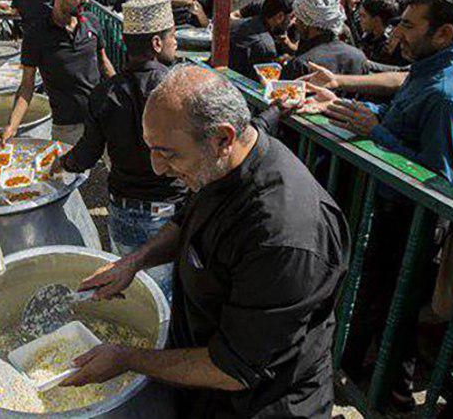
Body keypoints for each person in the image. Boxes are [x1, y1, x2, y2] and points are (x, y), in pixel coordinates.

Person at [65, 66, 348, 418]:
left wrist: (127, 358)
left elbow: (233, 368)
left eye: (168, 154)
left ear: (223, 139)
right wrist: (133, 263)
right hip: (206, 386)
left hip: (259, 405)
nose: (157, 169)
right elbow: (188, 219)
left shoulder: (285, 235)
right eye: (151, 149)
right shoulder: (224, 160)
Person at [58, 0, 186, 297]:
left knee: (131, 291)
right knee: (162, 298)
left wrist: (61, 163)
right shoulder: (177, 90)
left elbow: (86, 156)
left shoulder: (105, 93)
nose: (175, 43)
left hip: (122, 211)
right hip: (167, 218)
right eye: (172, 36)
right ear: (157, 43)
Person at [303, 0, 453, 184]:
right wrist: (342, 106)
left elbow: (438, 180)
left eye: (408, 26)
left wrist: (375, 132)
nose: (396, 33)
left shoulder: (446, 97)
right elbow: (400, 116)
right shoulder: (428, 67)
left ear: (443, 34)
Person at [0, 0, 114, 145]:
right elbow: (27, 86)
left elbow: (104, 64)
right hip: (67, 128)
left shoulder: (92, 22)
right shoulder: (37, 34)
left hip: (102, 117)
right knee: (69, 173)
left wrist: (124, 98)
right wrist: (12, 126)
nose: (86, 0)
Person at [282, 0, 366, 79]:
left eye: (298, 19)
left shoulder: (301, 65)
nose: (296, 23)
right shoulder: (358, 57)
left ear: (306, 23)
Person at [228, 0, 292, 81]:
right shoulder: (266, 45)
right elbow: (265, 80)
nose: (292, 21)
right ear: (280, 16)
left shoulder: (236, 25)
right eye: (290, 17)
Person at [358, 0, 407, 66]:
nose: (360, 20)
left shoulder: (392, 45)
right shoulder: (368, 37)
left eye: (363, 16)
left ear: (377, 20)